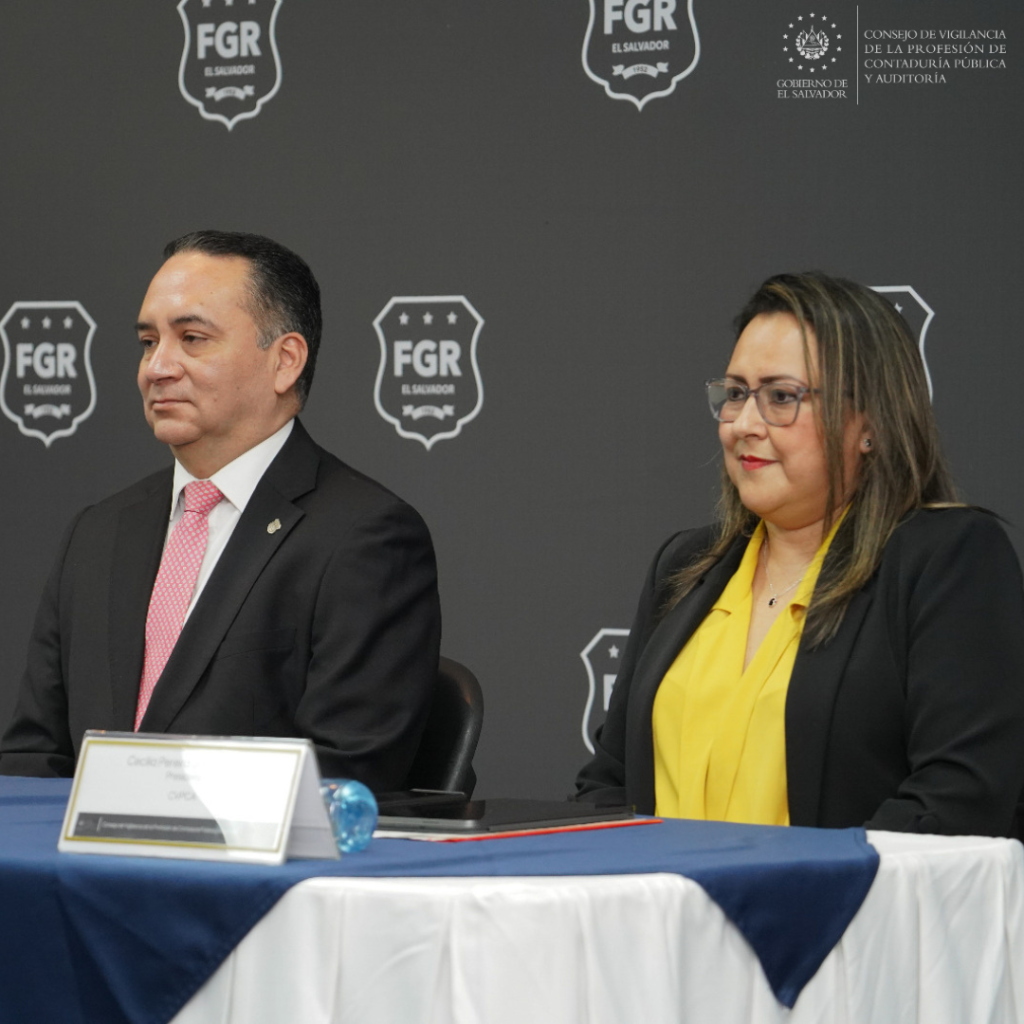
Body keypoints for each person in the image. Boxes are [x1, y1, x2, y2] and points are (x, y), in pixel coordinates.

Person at [576, 271, 1024, 837]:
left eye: (781, 397)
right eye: (735, 394)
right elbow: (608, 782)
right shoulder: (684, 566)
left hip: (845, 897)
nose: (744, 425)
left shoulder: (948, 560)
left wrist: (792, 884)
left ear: (870, 424)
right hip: (663, 895)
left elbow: (958, 800)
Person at [0, 230, 441, 789]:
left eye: (192, 338)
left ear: (284, 361)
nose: (156, 367)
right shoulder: (97, 532)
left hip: (250, 850)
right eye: (148, 342)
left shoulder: (365, 537)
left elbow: (345, 773)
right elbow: (32, 760)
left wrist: (152, 813)